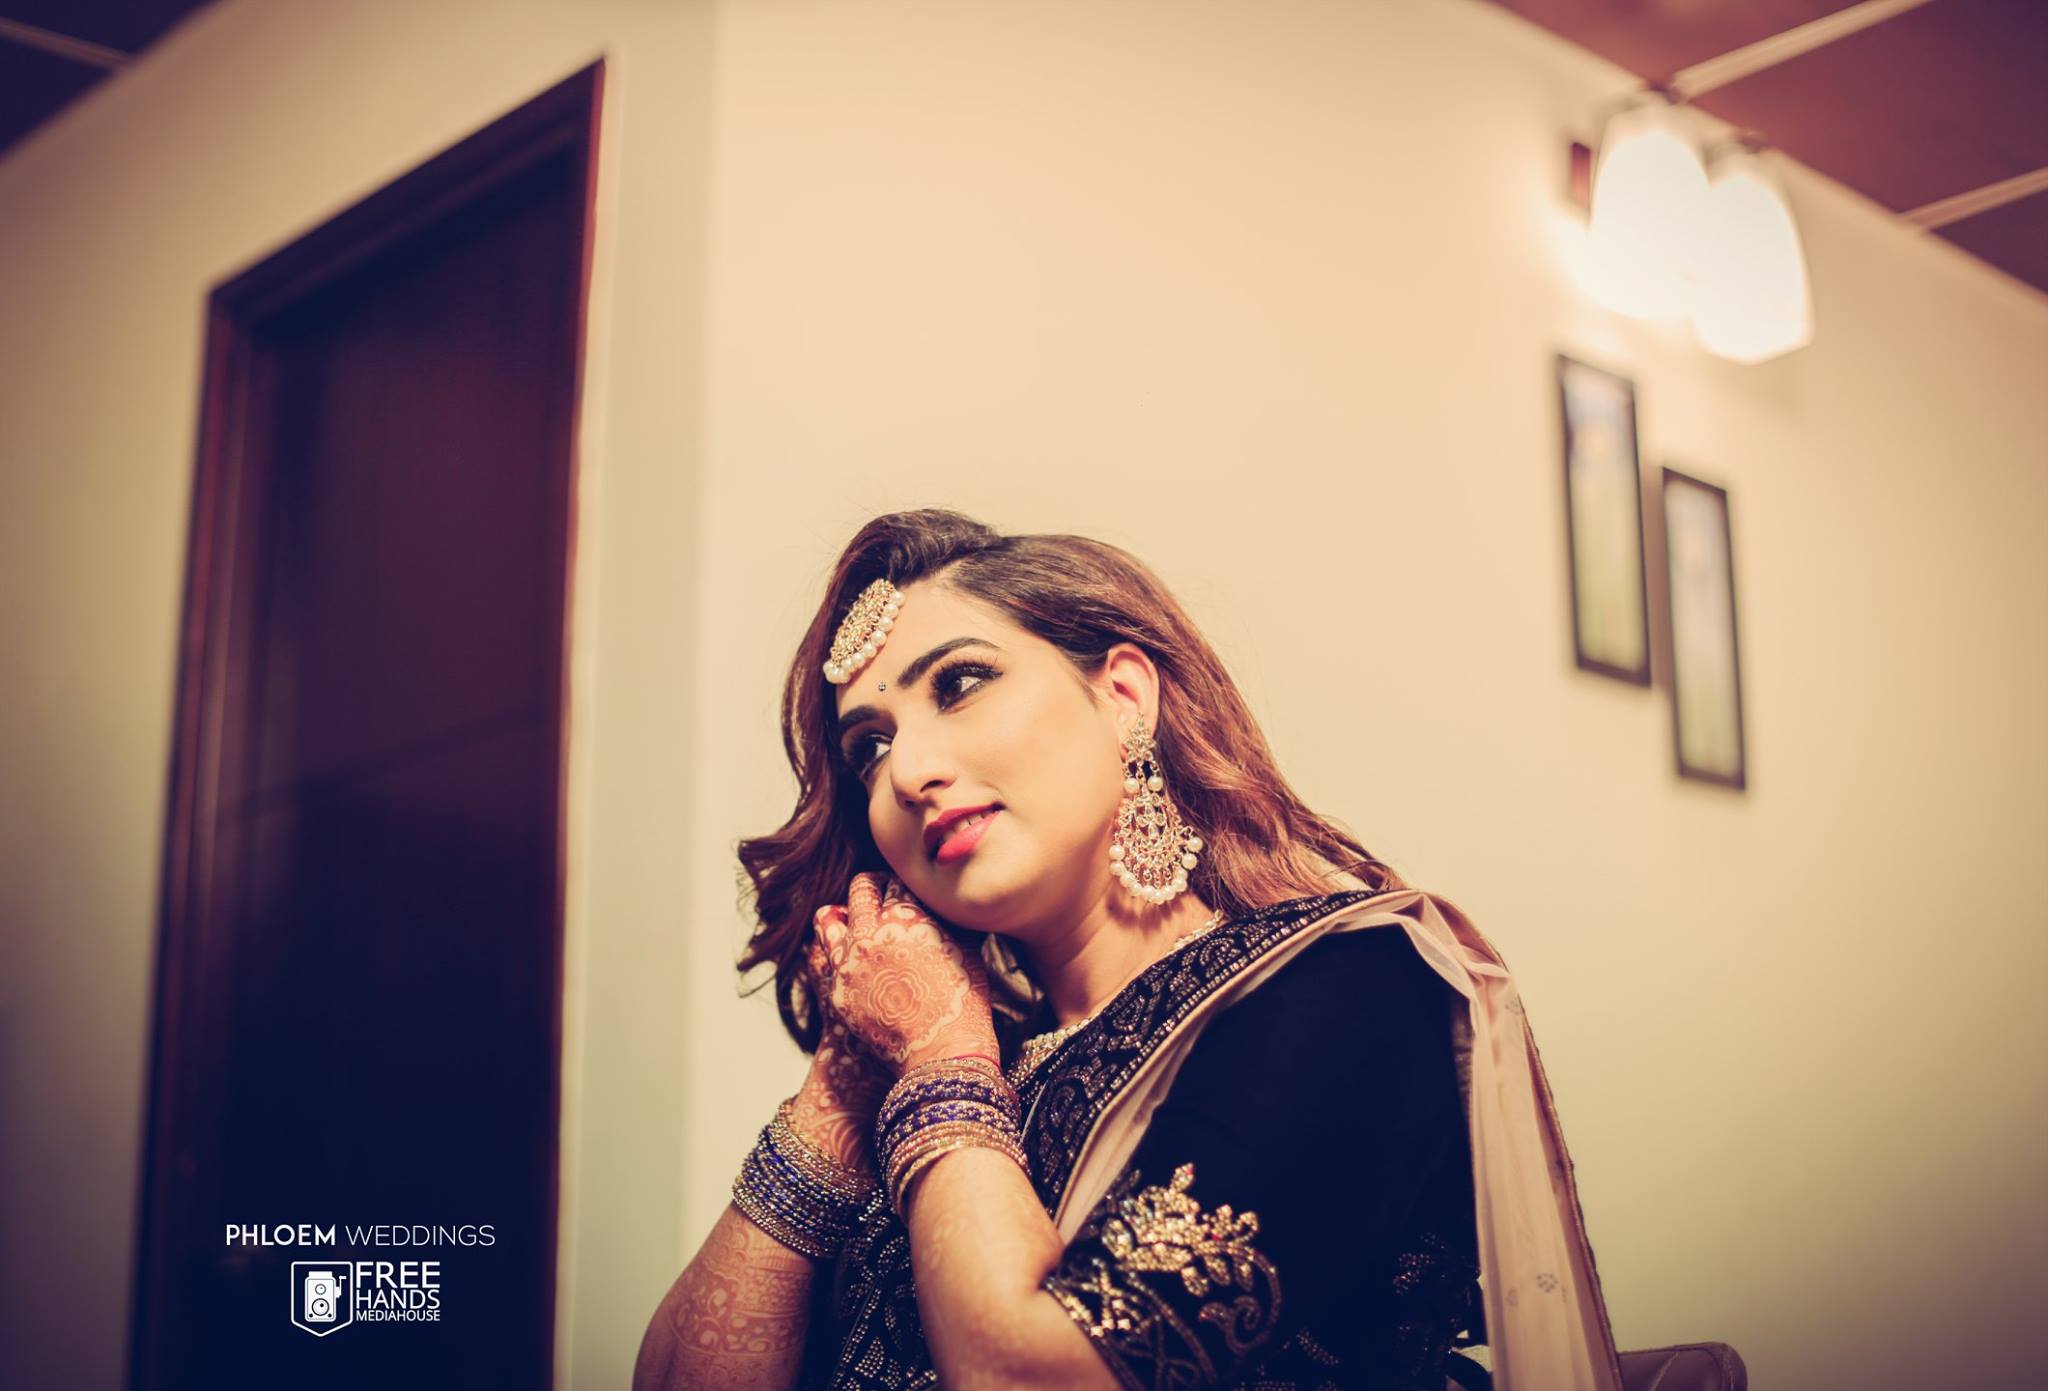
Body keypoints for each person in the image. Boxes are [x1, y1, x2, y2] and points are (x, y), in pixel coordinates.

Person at [634, 510, 1625, 1391]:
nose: (910, 770)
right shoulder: (964, 1058)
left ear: (1122, 695)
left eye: (960, 683)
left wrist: (939, 1062)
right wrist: (841, 1089)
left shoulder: (1347, 989)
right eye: (870, 746)